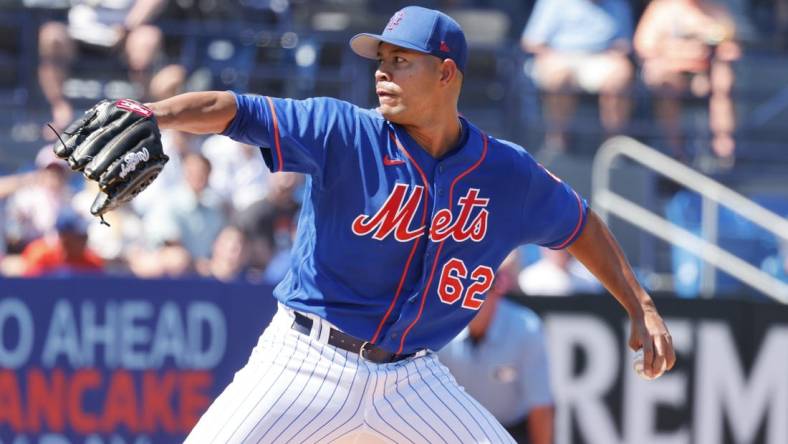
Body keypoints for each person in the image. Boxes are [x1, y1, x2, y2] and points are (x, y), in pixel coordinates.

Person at [75, 6, 674, 442]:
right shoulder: (344, 130)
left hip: (412, 380)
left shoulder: (507, 173)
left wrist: (639, 303)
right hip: (305, 361)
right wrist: (153, 111)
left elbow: (580, 225)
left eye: (400, 61)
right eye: (380, 60)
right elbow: (237, 109)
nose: (382, 72)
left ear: (446, 74)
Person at [439, 253, 555, 444]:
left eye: (481, 285)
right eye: (464, 284)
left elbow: (540, 407)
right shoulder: (440, 328)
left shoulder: (526, 328)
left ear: (499, 287)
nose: (472, 294)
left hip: (510, 431)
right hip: (455, 430)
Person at [634, 0, 740, 164]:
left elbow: (730, 47)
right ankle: (675, 152)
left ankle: (724, 148)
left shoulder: (715, 9)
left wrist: (716, 47)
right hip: (671, 71)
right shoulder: (662, 8)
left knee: (723, 78)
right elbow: (644, 45)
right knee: (667, 84)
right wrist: (682, 48)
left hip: (702, 74)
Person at [521, 0, 634, 152]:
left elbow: (624, 43)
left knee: (621, 74)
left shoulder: (617, 4)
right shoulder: (553, 3)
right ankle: (557, 142)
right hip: (559, 55)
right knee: (560, 76)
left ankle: (613, 147)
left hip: (601, 58)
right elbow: (531, 41)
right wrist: (553, 55)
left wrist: (617, 52)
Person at [38, 0, 167, 132]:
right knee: (51, 36)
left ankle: (142, 114)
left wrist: (128, 26)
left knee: (147, 39)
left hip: (124, 33)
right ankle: (60, 111)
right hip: (77, 33)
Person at [518, 247, 603, 296]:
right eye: (557, 247)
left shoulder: (589, 276)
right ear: (544, 250)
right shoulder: (530, 277)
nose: (564, 251)